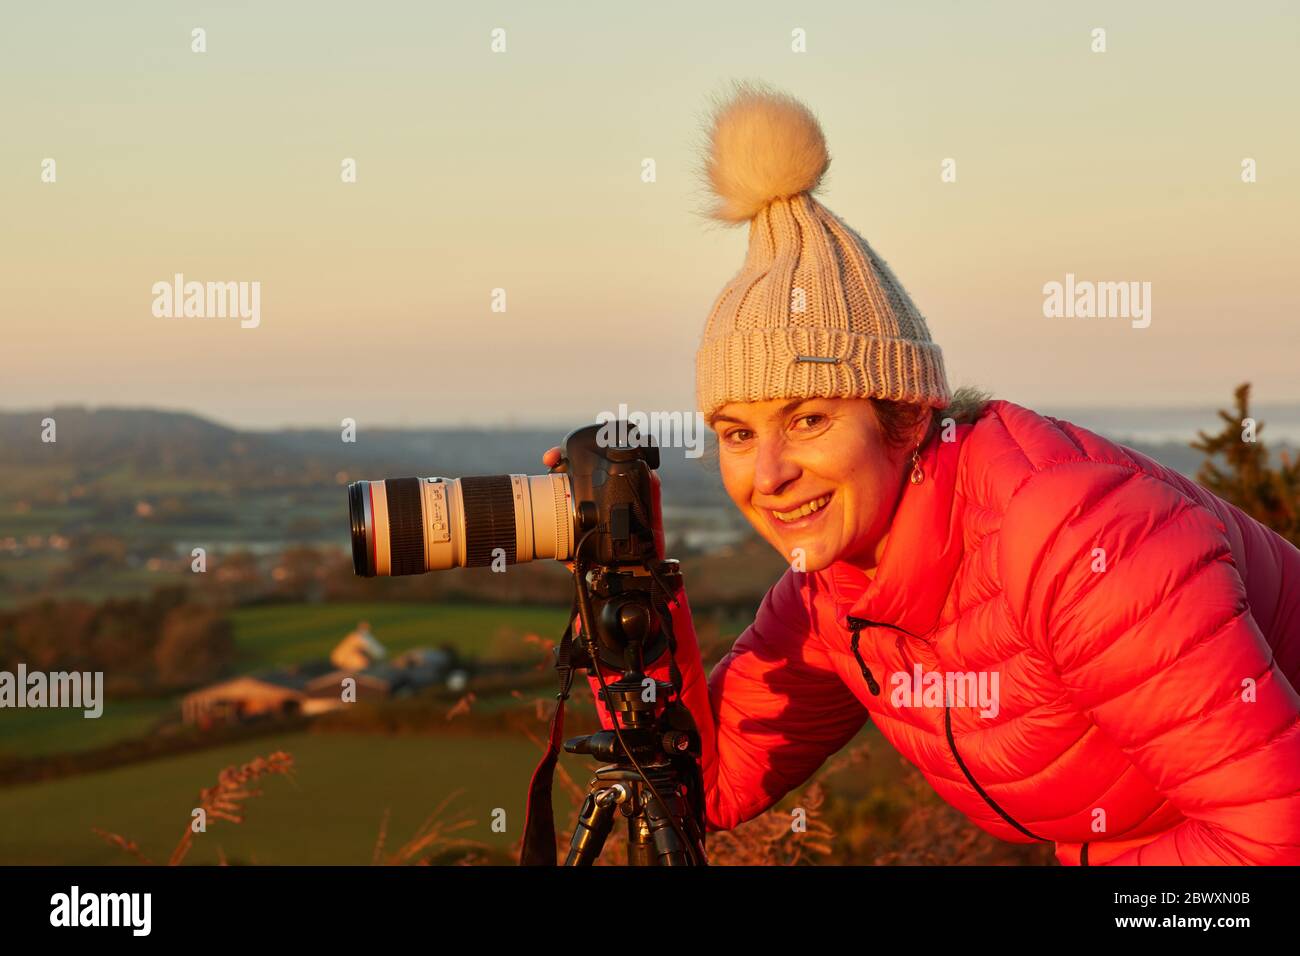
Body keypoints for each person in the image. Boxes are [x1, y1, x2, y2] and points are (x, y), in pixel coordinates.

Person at [543, 83, 1300, 865]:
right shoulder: (833, 594)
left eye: (809, 420)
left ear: (905, 416)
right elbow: (707, 786)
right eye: (737, 433)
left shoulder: (1075, 544)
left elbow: (1277, 837)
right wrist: (622, 576)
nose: (768, 474)